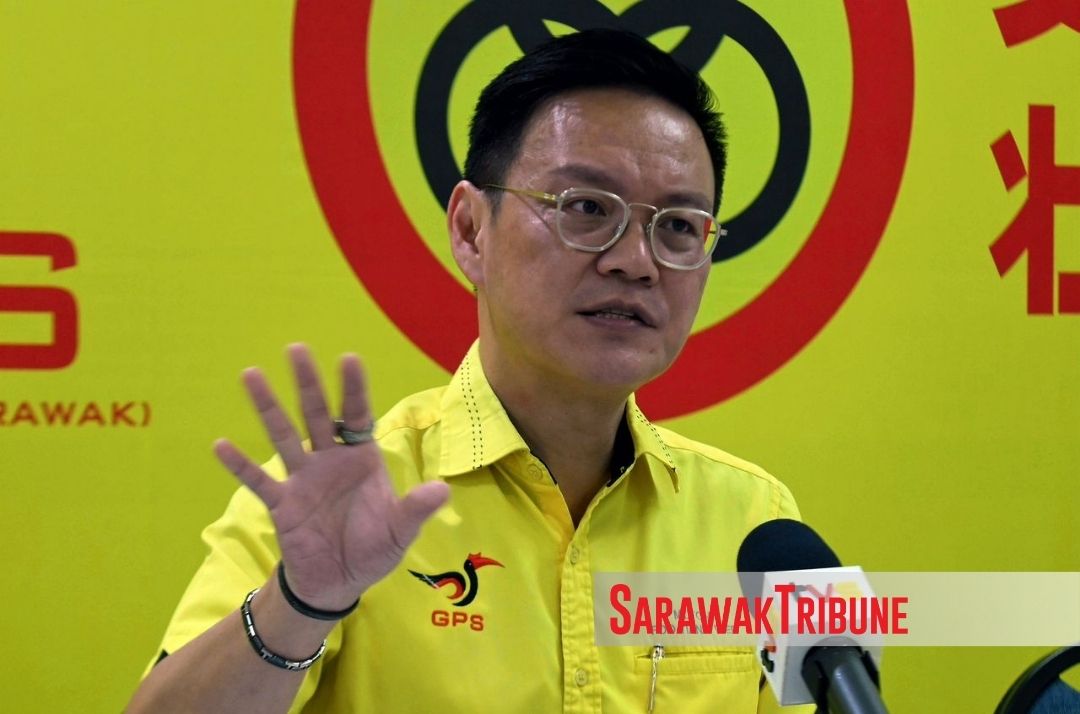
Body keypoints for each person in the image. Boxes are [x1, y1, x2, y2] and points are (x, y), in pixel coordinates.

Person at [127, 28, 807, 713]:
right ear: (471, 230)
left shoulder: (769, 524)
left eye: (680, 225)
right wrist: (303, 601)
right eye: (587, 209)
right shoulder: (334, 505)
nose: (635, 260)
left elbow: (851, 693)